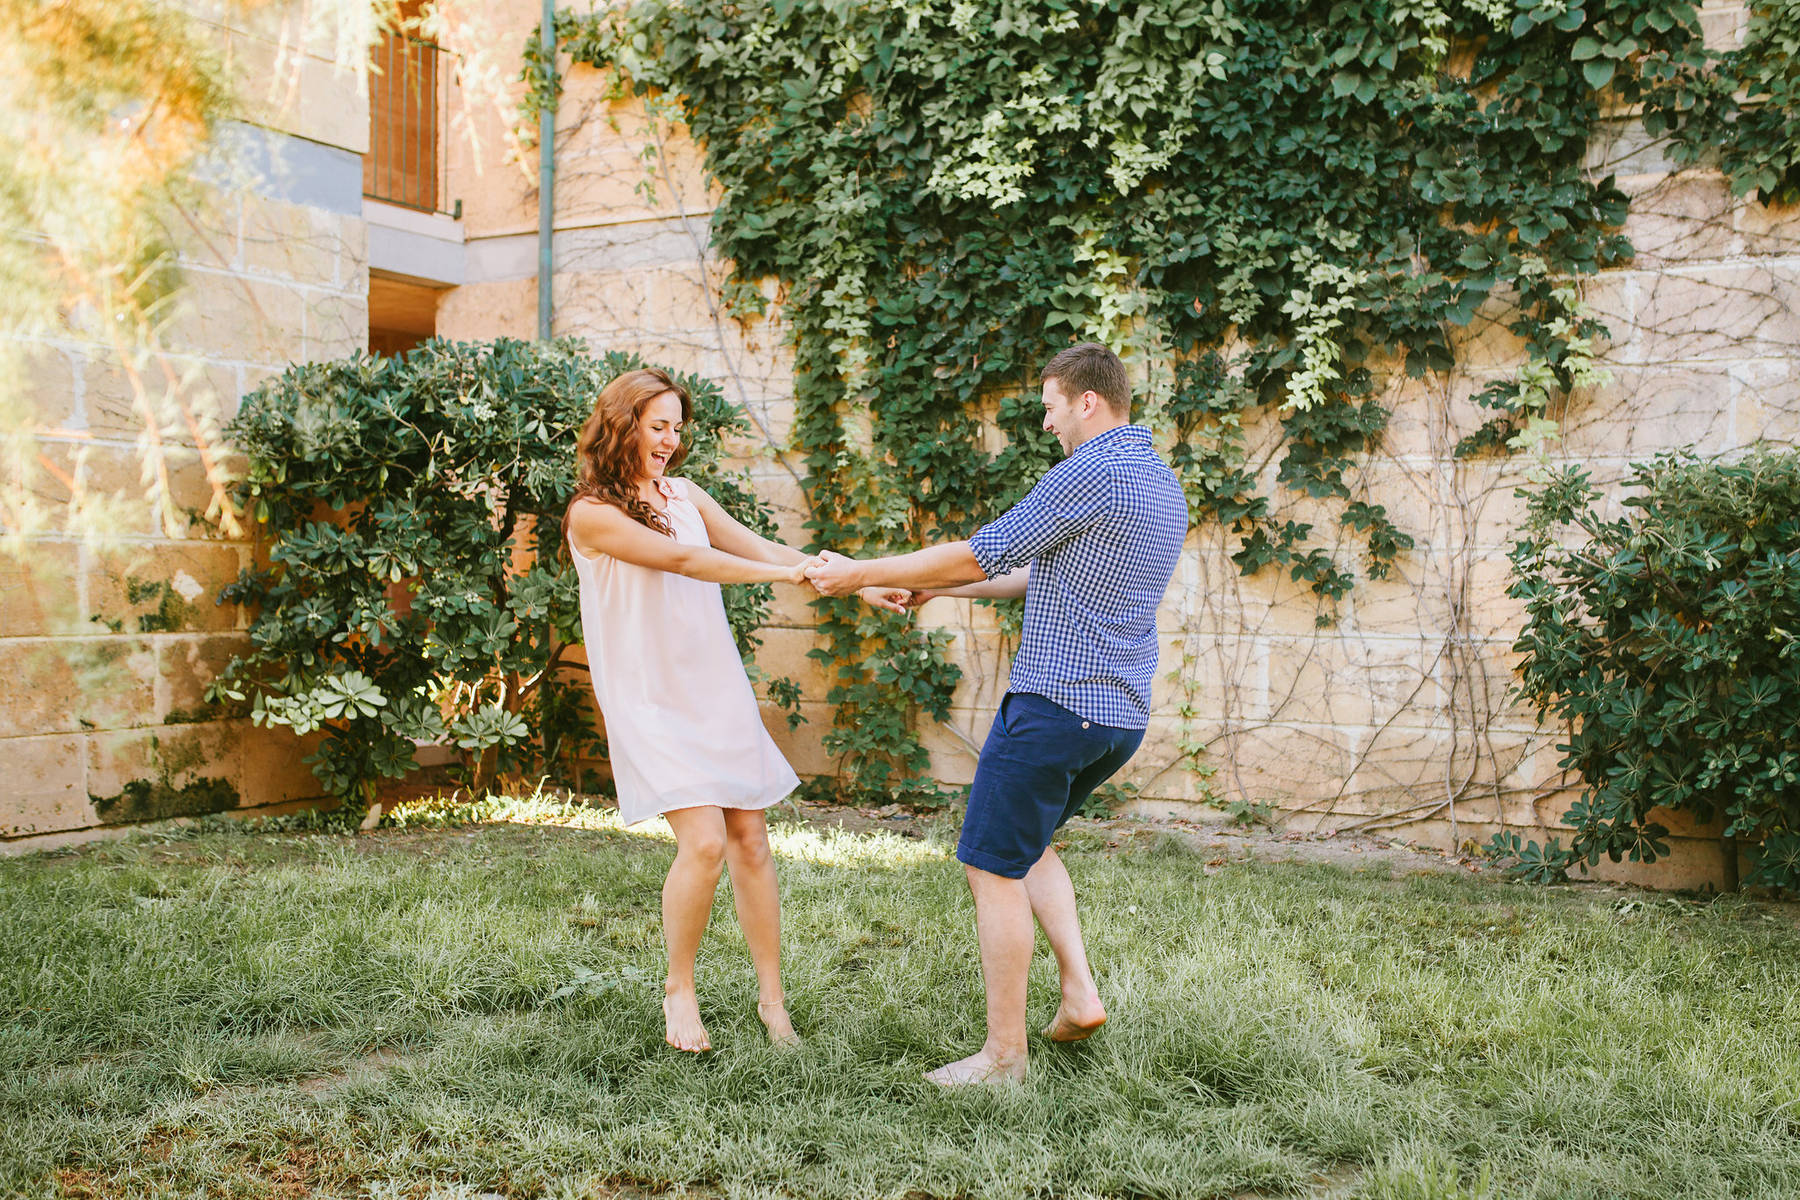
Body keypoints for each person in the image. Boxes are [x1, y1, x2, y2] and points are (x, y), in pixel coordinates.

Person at [805, 342, 1189, 1085]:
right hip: (1116, 716)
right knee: (1029, 843)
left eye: (1049, 407)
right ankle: (1078, 994)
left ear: (1086, 401)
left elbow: (982, 551)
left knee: (990, 865)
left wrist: (862, 571)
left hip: (1054, 707)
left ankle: (1003, 1058)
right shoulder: (1157, 480)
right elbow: (1028, 573)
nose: (1045, 424)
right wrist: (938, 591)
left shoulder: (1092, 471)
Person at [564, 367, 906, 1053]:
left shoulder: (684, 493)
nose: (670, 441)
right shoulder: (592, 515)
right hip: (651, 696)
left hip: (712, 684)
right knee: (707, 842)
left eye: (676, 429)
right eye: (657, 427)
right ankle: (679, 990)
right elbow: (688, 562)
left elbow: (763, 548)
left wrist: (856, 584)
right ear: (621, 424)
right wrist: (779, 576)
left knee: (751, 840)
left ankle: (773, 1004)